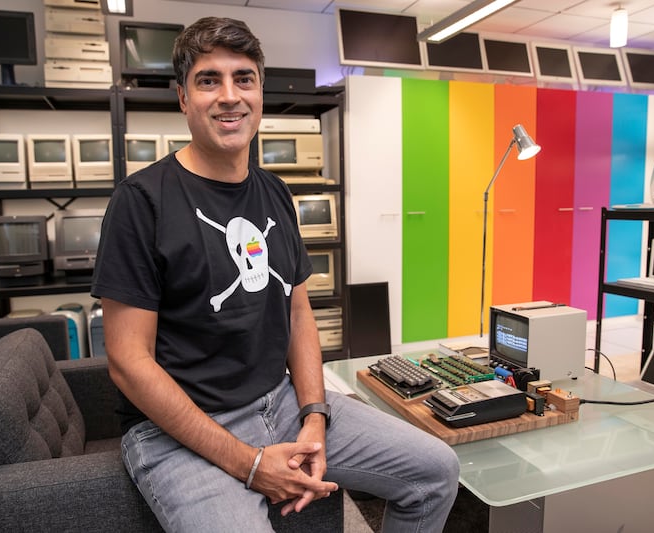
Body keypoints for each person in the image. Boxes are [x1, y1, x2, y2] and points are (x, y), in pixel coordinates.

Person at [91, 16, 459, 532]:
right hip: (180, 429)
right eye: (208, 80)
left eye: (244, 78)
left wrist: (314, 415)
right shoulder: (141, 202)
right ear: (182, 98)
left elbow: (297, 310)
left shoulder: (275, 193)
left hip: (280, 403)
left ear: (260, 92)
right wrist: (250, 463)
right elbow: (128, 362)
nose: (229, 96)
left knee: (436, 471)